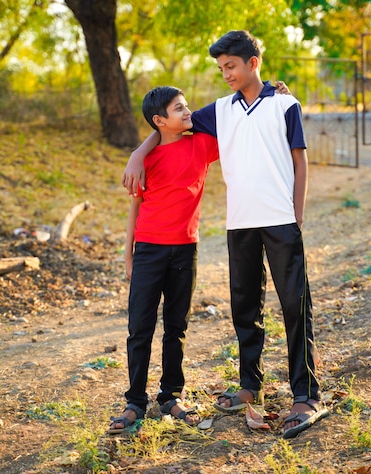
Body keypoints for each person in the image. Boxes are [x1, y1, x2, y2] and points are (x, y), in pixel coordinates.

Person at [122, 30, 328, 440]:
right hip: (240, 223)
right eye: (221, 69)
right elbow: (167, 123)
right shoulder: (219, 110)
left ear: (254, 62)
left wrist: (297, 214)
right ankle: (251, 385)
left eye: (231, 66)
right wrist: (138, 153)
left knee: (293, 304)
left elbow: (299, 162)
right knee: (245, 307)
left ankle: (305, 395)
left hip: (280, 219)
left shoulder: (286, 105)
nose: (226, 74)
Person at [109, 85, 219, 433]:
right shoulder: (146, 161)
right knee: (139, 328)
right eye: (179, 109)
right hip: (149, 250)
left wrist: (274, 95)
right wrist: (128, 253)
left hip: (186, 248)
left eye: (187, 106)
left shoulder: (201, 145)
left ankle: (171, 395)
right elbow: (135, 206)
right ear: (159, 120)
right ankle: (134, 401)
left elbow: (234, 118)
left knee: (177, 326)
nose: (188, 112)